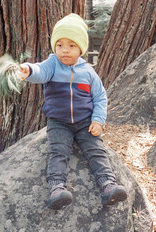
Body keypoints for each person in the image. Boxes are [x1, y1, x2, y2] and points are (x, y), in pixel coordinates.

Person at [19, 13, 127, 210]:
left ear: (81, 49)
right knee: (58, 152)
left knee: (95, 150)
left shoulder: (88, 72)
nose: (64, 51)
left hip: (85, 121)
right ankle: (57, 189)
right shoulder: (52, 64)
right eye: (59, 45)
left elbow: (100, 97)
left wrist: (98, 120)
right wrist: (28, 70)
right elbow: (40, 71)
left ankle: (108, 185)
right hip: (58, 122)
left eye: (71, 46)